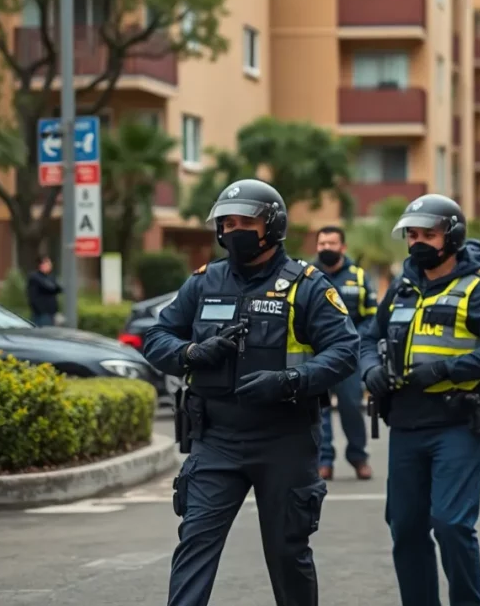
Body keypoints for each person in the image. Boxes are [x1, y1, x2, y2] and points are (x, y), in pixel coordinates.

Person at [142, 179, 360, 606]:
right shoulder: (205, 282)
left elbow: (345, 350)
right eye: (227, 222)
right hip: (216, 440)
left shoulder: (307, 285)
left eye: (246, 221)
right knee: (194, 547)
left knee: (287, 555)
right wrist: (190, 351)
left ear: (272, 226)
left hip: (286, 440)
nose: (234, 230)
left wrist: (289, 381)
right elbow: (157, 337)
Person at [359, 194, 480, 606]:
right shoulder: (402, 286)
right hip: (407, 423)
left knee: (450, 523)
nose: (418, 242)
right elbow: (367, 338)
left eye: (429, 234)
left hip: (460, 421)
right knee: (406, 527)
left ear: (453, 236)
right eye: (412, 235)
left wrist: (449, 370)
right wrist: (369, 369)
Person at [313, 225, 377, 481]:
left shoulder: (359, 277)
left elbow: (372, 317)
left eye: (331, 243)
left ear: (343, 247)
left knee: (351, 406)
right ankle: (323, 461)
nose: (326, 248)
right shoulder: (307, 275)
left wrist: (352, 340)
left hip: (348, 356)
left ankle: (358, 458)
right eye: (322, 244)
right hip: (314, 355)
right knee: (318, 409)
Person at [27, 255, 62, 326]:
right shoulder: (35, 277)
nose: (50, 266)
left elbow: (58, 289)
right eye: (48, 263)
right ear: (41, 265)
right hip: (41, 313)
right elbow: (49, 287)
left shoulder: (51, 277)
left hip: (51, 312)